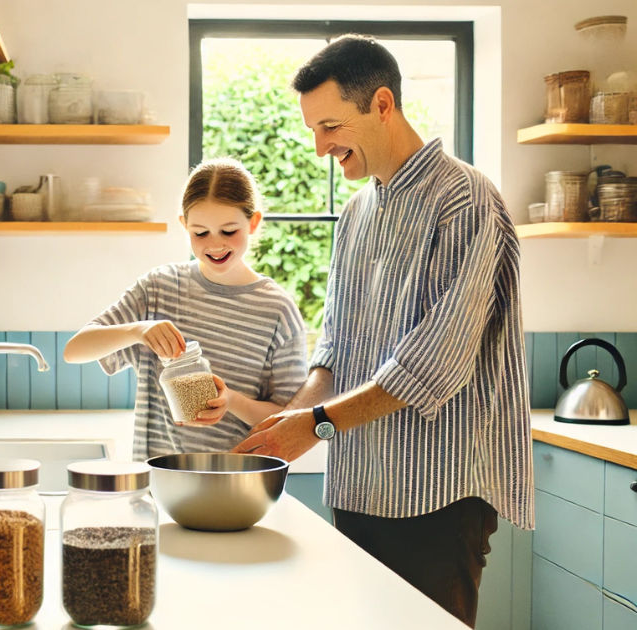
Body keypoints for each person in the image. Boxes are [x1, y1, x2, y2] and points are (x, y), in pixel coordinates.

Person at [233, 35, 533, 628]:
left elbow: (432, 365)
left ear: (382, 104)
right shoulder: (357, 213)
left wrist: (314, 425)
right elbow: (336, 351)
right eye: (313, 131)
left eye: (330, 126)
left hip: (437, 498)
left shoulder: (465, 199)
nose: (320, 147)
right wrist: (283, 426)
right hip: (360, 487)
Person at [63, 158, 308, 459]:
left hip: (233, 488)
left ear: (253, 223)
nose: (215, 245)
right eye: (200, 233)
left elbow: (289, 419)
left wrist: (231, 400)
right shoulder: (159, 288)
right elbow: (74, 350)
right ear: (184, 225)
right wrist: (138, 330)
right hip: (156, 483)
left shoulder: (277, 310)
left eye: (229, 231)